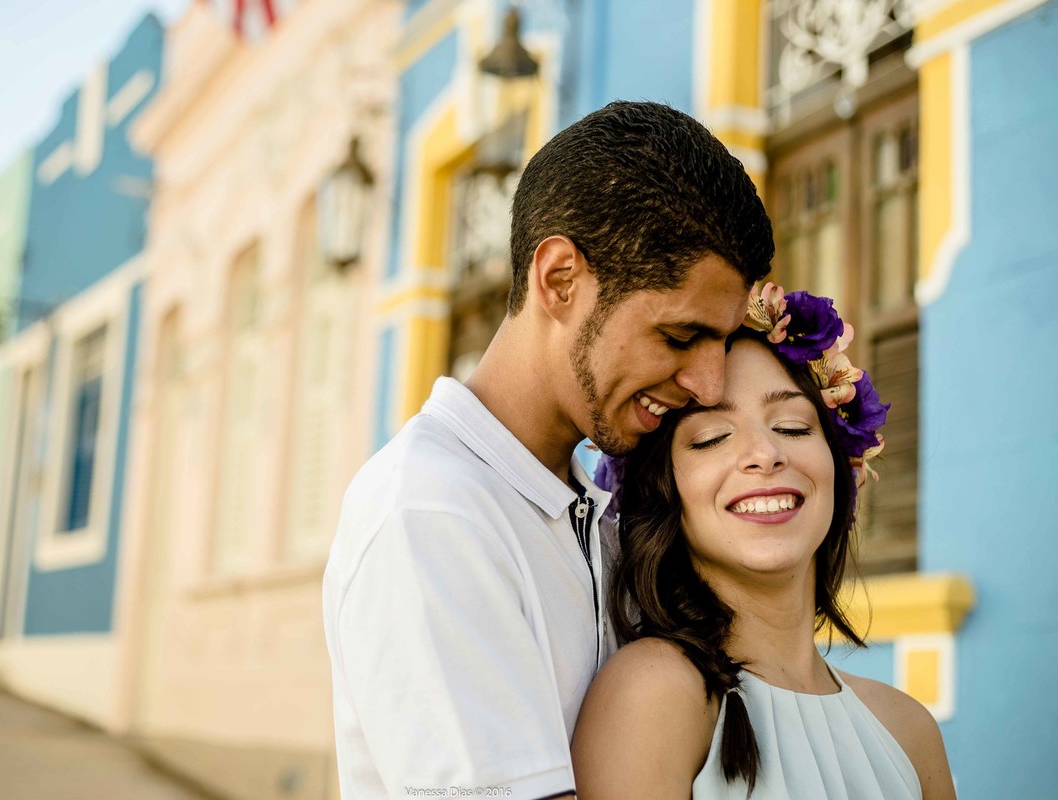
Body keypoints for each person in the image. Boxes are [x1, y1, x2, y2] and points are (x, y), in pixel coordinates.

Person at [322, 101, 774, 797]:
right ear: (560, 279)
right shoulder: (433, 511)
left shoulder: (595, 510)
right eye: (681, 338)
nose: (708, 384)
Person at [572, 284, 956, 799]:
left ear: (843, 471)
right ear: (661, 492)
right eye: (711, 437)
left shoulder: (910, 731)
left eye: (794, 427)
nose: (765, 453)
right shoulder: (654, 694)